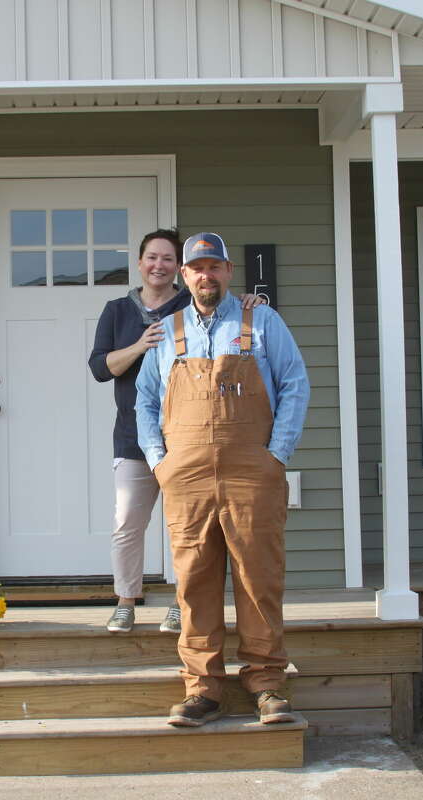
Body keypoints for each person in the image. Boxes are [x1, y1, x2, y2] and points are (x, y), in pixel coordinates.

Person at [134, 231, 309, 727]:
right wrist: (157, 460)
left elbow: (295, 384)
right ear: (184, 276)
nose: (205, 275)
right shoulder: (165, 332)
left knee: (259, 578)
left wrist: (278, 454)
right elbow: (145, 401)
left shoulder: (263, 320)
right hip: (185, 474)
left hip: (253, 470)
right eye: (197, 268)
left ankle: (268, 685)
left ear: (228, 271)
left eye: (214, 266)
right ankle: (202, 690)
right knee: (194, 581)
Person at [88, 229, 263, 635]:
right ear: (140, 263)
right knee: (127, 521)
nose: (159, 265)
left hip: (190, 438)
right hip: (134, 439)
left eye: (167, 258)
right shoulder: (118, 311)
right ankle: (125, 601)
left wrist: (252, 302)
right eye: (152, 257)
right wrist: (139, 346)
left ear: (178, 269)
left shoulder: (191, 303)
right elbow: (100, 368)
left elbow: (229, 311)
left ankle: (180, 603)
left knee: (188, 526)